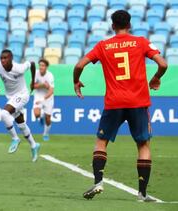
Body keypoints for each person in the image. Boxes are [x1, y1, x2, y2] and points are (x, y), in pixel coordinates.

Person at [73, 10, 168, 202]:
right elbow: (163, 64)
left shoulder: (103, 46)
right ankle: (142, 193)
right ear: (130, 25)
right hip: (138, 101)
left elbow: (79, 65)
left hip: (114, 102)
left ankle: (98, 182)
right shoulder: (141, 42)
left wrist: (76, 81)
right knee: (143, 144)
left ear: (112, 25)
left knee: (101, 141)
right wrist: (156, 77)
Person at [0, 50, 41, 162]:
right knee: (21, 124)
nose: (3, 60)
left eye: (5, 58)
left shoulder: (19, 68)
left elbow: (32, 63)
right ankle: (34, 145)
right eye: (1, 58)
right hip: (11, 97)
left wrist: (33, 80)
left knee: (4, 113)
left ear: (11, 58)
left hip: (22, 95)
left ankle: (15, 138)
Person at [32, 58, 54, 141]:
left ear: (46, 67)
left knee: (48, 118)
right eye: (40, 65)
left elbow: (51, 91)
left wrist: (43, 99)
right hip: (38, 95)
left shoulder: (50, 75)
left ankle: (45, 133)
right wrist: (43, 85)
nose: (41, 67)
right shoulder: (36, 73)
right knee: (36, 114)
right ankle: (41, 116)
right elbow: (32, 86)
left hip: (48, 97)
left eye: (43, 65)